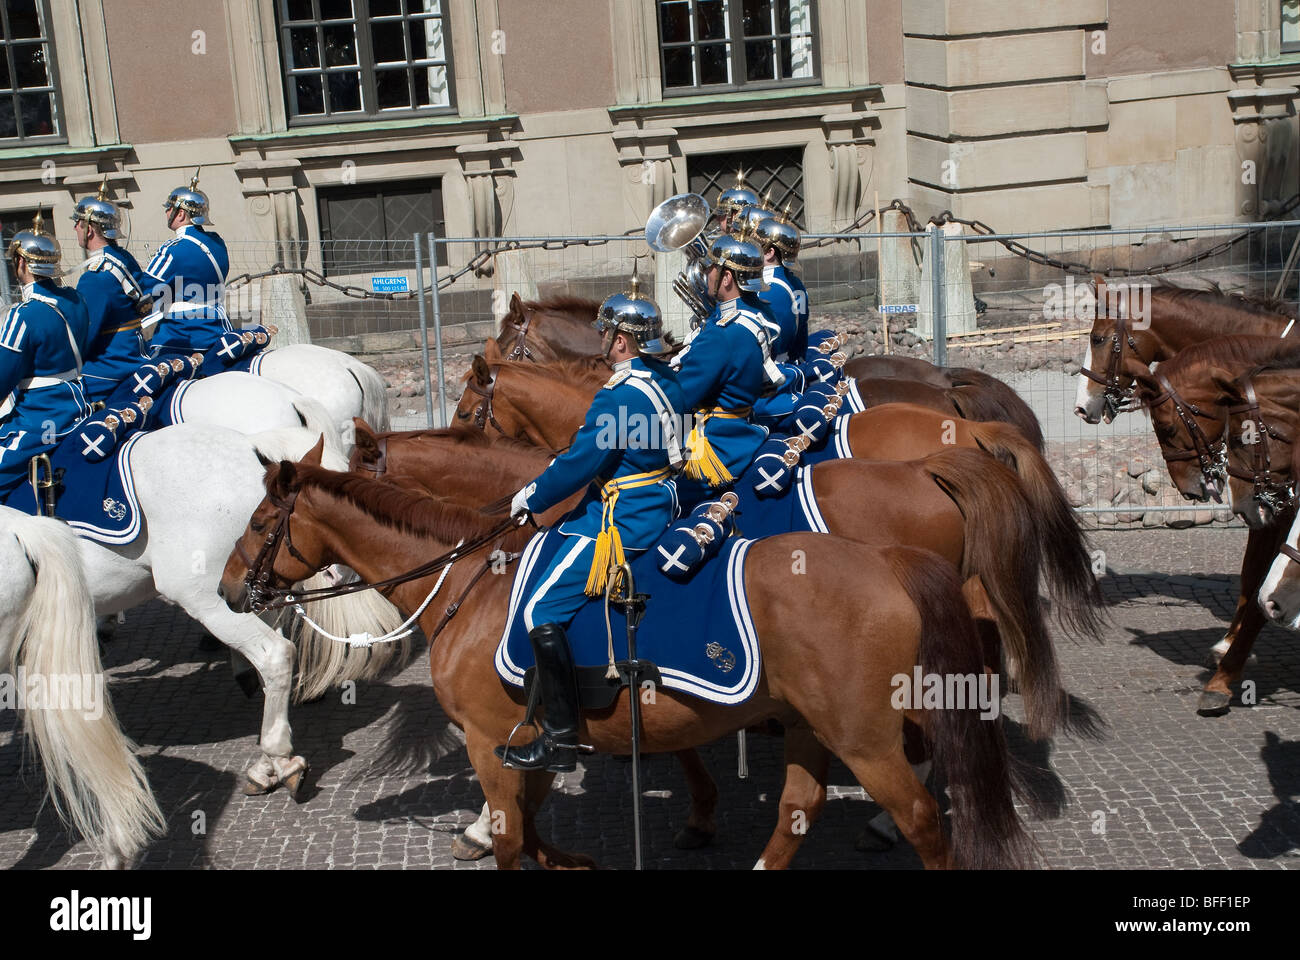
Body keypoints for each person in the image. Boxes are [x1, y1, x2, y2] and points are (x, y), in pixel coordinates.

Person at [499, 278, 684, 773]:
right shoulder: (666, 379)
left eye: (605, 333)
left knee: (540, 610)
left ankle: (559, 739)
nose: (600, 340)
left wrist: (531, 495)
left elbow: (581, 463)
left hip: (624, 518)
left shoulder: (617, 396)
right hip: (663, 498)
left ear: (620, 341)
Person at [672, 232, 784, 498]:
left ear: (727, 278)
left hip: (715, 442)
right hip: (741, 426)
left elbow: (679, 398)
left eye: (711, 267)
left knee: (639, 461)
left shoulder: (724, 334)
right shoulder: (759, 311)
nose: (707, 272)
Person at [0, 211, 93, 500]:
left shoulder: (22, 314)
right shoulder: (76, 300)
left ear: (21, 263)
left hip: (41, 415)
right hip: (80, 401)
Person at [72, 178, 154, 403]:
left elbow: (85, 336)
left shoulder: (95, 278)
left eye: (78, 222)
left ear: (89, 229)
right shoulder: (123, 257)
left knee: (63, 399)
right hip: (136, 350)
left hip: (111, 365)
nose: (75, 228)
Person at [139, 170, 232, 355]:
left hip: (183, 330)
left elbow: (144, 289)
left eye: (169, 208)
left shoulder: (173, 249)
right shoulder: (217, 243)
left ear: (180, 214)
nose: (166, 212)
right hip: (219, 324)